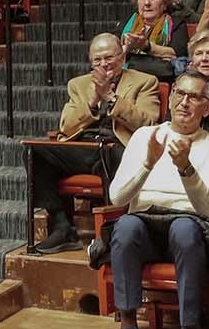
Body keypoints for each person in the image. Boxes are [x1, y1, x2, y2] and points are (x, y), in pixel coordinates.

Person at [102, 71, 209, 329]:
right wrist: (148, 162)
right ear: (170, 98)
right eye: (179, 94)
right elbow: (118, 197)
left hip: (188, 228)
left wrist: (186, 168)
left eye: (194, 97)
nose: (185, 102)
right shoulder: (145, 137)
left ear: (207, 107)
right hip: (145, 224)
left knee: (184, 227)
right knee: (125, 226)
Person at [35, 34, 162, 253]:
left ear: (121, 58)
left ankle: (111, 231)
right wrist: (93, 101)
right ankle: (62, 225)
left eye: (109, 57)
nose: (103, 64)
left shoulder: (145, 81)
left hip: (119, 147)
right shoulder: (78, 84)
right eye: (97, 60)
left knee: (113, 156)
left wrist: (112, 98)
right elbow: (66, 126)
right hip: (85, 147)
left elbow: (148, 122)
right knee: (34, 152)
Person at [115, 0, 180, 78]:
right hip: (124, 77)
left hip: (158, 78)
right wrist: (127, 47)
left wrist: (146, 46)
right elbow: (112, 48)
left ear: (164, 3)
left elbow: (176, 53)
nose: (146, 3)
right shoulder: (127, 22)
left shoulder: (176, 23)